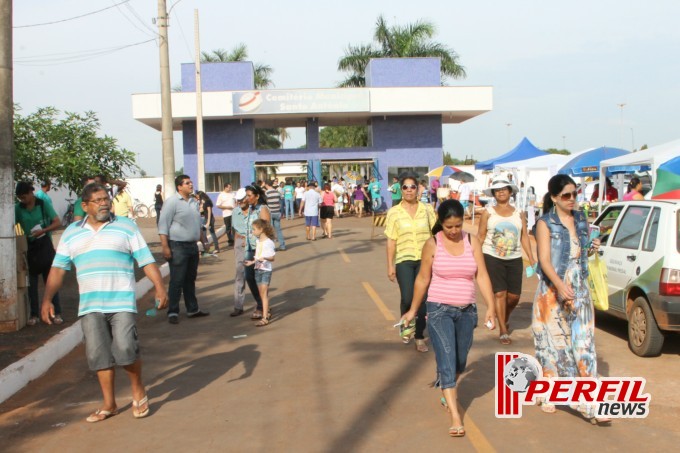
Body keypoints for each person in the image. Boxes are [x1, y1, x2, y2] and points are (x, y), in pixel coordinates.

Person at [40, 183, 168, 423]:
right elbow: (58, 270)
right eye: (97, 200)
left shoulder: (126, 227)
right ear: (85, 206)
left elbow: (146, 260)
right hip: (90, 305)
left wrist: (160, 286)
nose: (104, 203)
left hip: (121, 301)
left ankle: (138, 390)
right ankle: (109, 404)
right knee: (98, 354)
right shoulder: (71, 233)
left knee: (126, 348)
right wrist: (47, 299)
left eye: (106, 199)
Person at [401, 200, 496, 437]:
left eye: (457, 225)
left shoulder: (472, 241)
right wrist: (413, 310)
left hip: (467, 311)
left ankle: (446, 385)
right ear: (440, 223)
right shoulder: (432, 244)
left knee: (460, 360)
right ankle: (455, 416)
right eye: (448, 226)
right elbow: (423, 279)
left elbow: (481, 275)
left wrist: (491, 306)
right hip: (439, 310)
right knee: (447, 357)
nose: (454, 231)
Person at [532, 174, 610, 424]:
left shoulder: (581, 219)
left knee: (584, 344)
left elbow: (581, 251)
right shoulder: (545, 223)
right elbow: (544, 260)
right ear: (554, 197)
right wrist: (559, 286)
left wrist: (592, 245)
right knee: (555, 345)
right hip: (553, 289)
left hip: (580, 288)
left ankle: (590, 404)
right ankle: (549, 393)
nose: (572, 199)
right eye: (566, 195)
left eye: (575, 194)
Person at [478, 178, 536, 345]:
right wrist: (473, 256)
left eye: (504, 189)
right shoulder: (488, 212)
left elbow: (524, 236)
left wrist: (531, 257)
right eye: (497, 190)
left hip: (514, 258)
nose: (501, 192)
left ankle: (504, 316)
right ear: (493, 194)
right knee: (499, 293)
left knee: (514, 296)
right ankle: (503, 329)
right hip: (491, 256)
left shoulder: (519, 213)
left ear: (511, 192)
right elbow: (481, 235)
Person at [385, 172, 436, 353]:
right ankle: (406, 324)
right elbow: (391, 240)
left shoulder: (427, 210)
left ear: (418, 189)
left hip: (425, 260)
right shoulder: (394, 212)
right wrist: (390, 265)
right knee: (408, 296)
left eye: (412, 187)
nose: (408, 190)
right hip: (404, 259)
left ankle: (419, 336)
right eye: (404, 187)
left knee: (422, 299)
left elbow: (436, 233)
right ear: (400, 190)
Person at [158, 175, 210, 324]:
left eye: (191, 182)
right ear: (179, 187)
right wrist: (165, 247)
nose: (190, 185)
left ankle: (192, 309)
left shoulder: (194, 202)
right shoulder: (172, 202)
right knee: (177, 280)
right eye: (187, 183)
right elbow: (163, 226)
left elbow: (197, 224)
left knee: (190, 279)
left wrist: (204, 240)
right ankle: (173, 311)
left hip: (192, 247)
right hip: (177, 246)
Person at [15, 182, 63, 326]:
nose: (23, 200)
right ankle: (34, 314)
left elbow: (57, 222)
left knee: (50, 281)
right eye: (20, 198)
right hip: (30, 247)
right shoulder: (18, 209)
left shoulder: (42, 204)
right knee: (32, 283)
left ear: (31, 192)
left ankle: (57, 313)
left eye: (24, 197)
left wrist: (43, 230)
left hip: (45, 245)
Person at [244, 184, 271, 319]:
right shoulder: (250, 208)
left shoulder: (262, 209)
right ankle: (261, 303)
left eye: (249, 195)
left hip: (259, 250)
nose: (247, 198)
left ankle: (262, 308)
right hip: (249, 248)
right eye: (246, 195)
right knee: (249, 277)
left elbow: (266, 229)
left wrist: (261, 251)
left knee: (260, 279)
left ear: (257, 196)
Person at [244, 219, 276, 327]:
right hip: (257, 270)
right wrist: (251, 262)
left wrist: (265, 258)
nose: (252, 231)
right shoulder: (258, 241)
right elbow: (257, 256)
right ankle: (266, 312)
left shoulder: (269, 242)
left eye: (254, 229)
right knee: (262, 294)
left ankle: (265, 317)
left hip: (266, 271)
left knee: (263, 294)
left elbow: (272, 258)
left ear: (261, 229)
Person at [229, 188, 250, 317]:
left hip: (254, 245)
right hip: (240, 245)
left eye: (242, 199)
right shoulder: (235, 212)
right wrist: (236, 246)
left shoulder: (256, 211)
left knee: (256, 276)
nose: (240, 202)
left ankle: (262, 305)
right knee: (239, 275)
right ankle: (238, 306)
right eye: (238, 200)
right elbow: (235, 231)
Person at [264, 180, 286, 251]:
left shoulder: (266, 193)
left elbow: (265, 203)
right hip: (277, 212)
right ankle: (282, 245)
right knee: (278, 230)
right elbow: (280, 201)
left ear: (267, 185)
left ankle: (272, 247)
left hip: (270, 213)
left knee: (270, 231)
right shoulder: (277, 192)